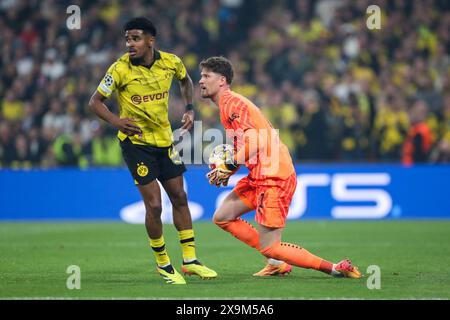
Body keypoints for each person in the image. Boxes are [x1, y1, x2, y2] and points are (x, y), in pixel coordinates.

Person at [199, 56, 361, 278]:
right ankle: (276, 263)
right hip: (260, 174)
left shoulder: (232, 103)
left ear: (222, 80)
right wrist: (230, 170)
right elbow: (249, 144)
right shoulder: (229, 105)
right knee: (223, 216)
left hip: (273, 176)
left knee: (271, 246)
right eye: (201, 76)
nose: (201, 81)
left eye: (206, 76)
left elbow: (256, 142)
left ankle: (335, 268)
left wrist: (229, 163)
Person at [89, 17, 217, 285]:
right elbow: (95, 102)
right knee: (155, 205)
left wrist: (190, 108)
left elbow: (185, 81)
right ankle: (163, 264)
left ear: (150, 40)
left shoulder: (171, 62)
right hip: (136, 145)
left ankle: (190, 261)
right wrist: (116, 120)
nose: (129, 44)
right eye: (127, 39)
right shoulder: (119, 69)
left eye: (135, 38)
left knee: (180, 196)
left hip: (164, 141)